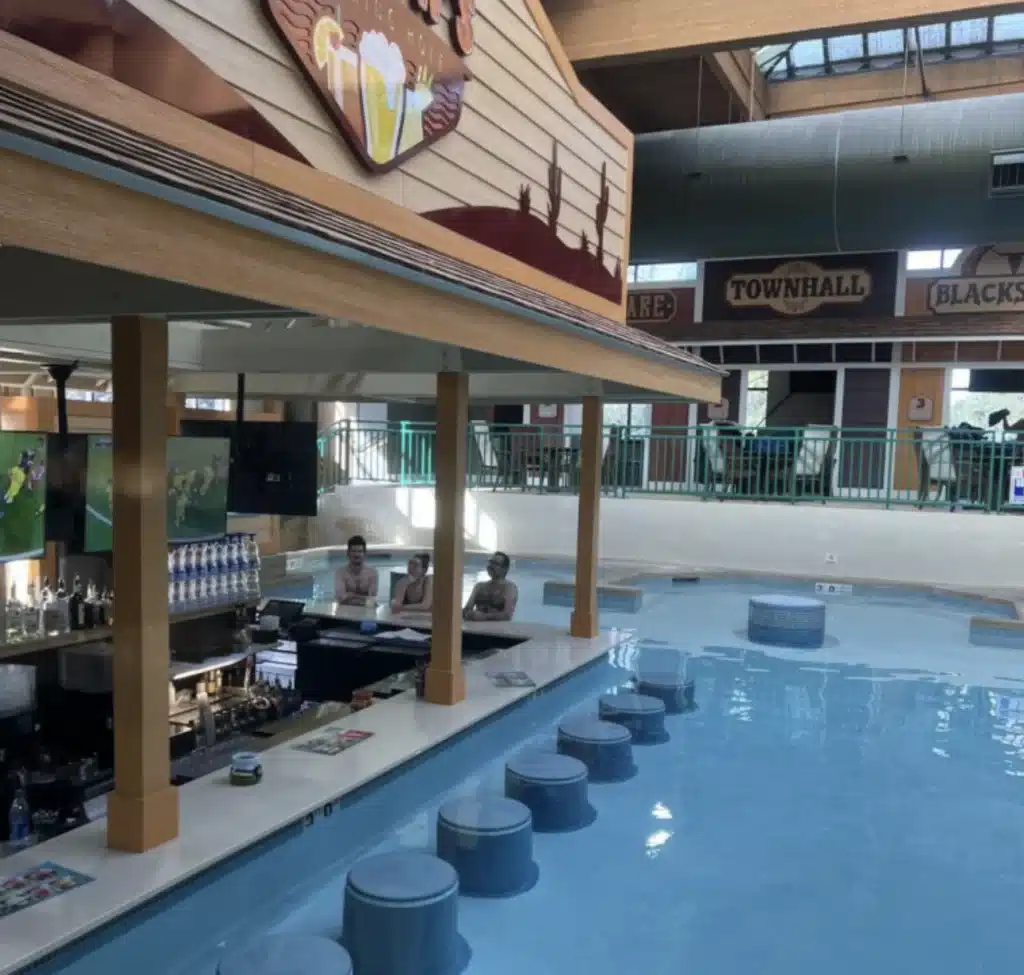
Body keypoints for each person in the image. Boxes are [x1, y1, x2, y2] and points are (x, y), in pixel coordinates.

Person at [463, 552, 518, 622]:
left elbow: (507, 615)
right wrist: (469, 614)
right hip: (476, 628)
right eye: (490, 562)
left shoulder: (510, 588)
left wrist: (484, 617)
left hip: (497, 631)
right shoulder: (479, 586)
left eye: (495, 564)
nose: (491, 566)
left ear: (504, 569)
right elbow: (467, 609)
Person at [335, 534, 379, 606]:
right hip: (344, 613)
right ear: (348, 553)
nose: (356, 554)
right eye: (353, 551)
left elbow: (372, 600)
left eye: (359, 551)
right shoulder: (340, 573)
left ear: (364, 554)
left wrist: (351, 595)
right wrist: (364, 598)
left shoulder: (372, 573)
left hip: (366, 613)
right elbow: (340, 598)